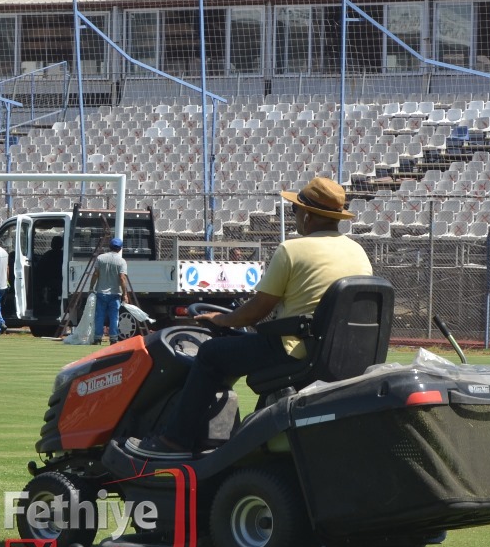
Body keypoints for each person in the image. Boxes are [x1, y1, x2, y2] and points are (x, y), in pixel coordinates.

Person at [131, 176, 371, 457]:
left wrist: (220, 320)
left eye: (295, 211)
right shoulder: (358, 252)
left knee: (210, 354)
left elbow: (257, 310)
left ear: (307, 216)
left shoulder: (293, 250)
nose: (294, 217)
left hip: (295, 349)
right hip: (341, 354)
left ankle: (175, 440)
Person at [93, 237, 133, 344]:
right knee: (114, 317)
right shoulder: (121, 261)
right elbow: (122, 278)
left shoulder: (100, 258)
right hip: (115, 293)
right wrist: (125, 294)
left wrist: (91, 287)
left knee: (99, 316)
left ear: (109, 246)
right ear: (120, 249)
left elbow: (96, 274)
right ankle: (113, 338)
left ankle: (97, 337)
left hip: (101, 292)